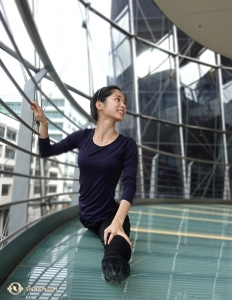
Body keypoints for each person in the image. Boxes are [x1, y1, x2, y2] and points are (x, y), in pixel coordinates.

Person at [30, 85, 138, 284]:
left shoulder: (127, 144)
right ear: (100, 105)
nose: (123, 105)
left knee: (116, 247)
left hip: (109, 215)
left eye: (125, 102)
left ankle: (113, 267)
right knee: (108, 236)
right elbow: (46, 151)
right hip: (86, 215)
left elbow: (130, 184)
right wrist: (43, 122)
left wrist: (118, 221)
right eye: (117, 99)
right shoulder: (82, 137)